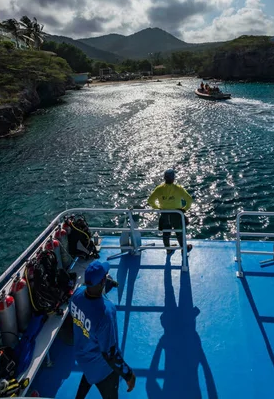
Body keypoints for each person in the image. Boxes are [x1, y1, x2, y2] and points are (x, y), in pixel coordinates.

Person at [71, 260, 136, 399]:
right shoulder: (106, 313)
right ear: (101, 282)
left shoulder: (76, 295)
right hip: (103, 368)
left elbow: (89, 299)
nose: (107, 276)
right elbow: (110, 354)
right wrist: (128, 374)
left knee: (88, 374)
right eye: (105, 276)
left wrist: (103, 288)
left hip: (83, 356)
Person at [148, 169, 193, 253]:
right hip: (176, 215)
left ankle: (168, 249)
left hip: (164, 214)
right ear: (173, 178)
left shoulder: (159, 189)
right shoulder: (178, 189)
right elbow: (189, 200)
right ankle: (183, 248)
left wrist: (158, 208)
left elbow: (150, 201)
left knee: (166, 233)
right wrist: (184, 209)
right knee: (179, 231)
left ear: (164, 178)